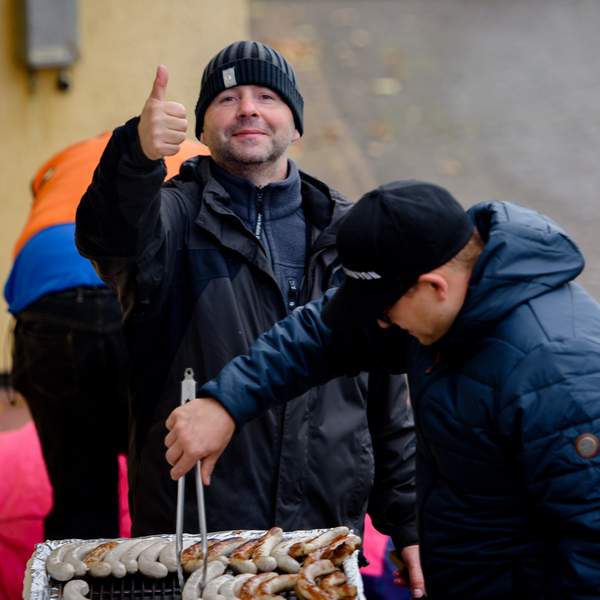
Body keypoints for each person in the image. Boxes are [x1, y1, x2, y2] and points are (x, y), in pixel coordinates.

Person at [75, 41, 423, 595]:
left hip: (321, 542)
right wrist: (136, 155)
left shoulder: (352, 234)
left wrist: (409, 521)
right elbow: (108, 237)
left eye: (266, 96)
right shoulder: (172, 221)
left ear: (296, 124)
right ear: (203, 127)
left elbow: (387, 396)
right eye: (227, 98)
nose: (247, 109)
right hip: (194, 539)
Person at [165, 180, 600, 599]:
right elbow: (324, 333)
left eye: (385, 310)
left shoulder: (560, 373)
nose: (381, 323)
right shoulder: (437, 298)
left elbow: (590, 551)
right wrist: (228, 401)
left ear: (434, 287)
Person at [4, 133, 203, 540]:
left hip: (48, 300)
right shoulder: (202, 154)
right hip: (132, 287)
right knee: (168, 480)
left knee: (80, 494)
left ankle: (81, 564)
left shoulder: (64, 159)